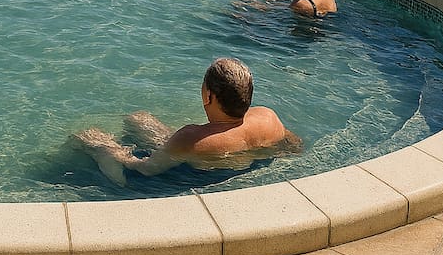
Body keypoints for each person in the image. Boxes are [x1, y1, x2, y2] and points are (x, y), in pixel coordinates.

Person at [73, 58, 299, 186]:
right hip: (220, 152)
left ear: (208, 96)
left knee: (89, 136)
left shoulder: (189, 136)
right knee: (139, 120)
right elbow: (292, 145)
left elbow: (146, 169)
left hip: (192, 165)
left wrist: (113, 152)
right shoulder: (267, 117)